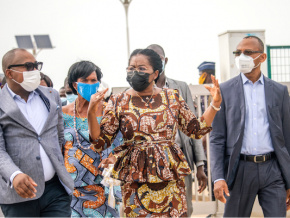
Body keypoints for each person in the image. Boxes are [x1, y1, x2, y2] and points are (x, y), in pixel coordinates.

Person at [88, 48, 222, 217]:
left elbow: (195, 130)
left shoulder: (172, 97)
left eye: (141, 69)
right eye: (131, 68)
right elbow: (100, 142)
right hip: (135, 178)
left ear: (155, 73)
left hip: (169, 175)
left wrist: (215, 104)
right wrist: (91, 112)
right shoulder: (118, 101)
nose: (135, 72)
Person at [210, 35, 290, 217]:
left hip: (273, 170)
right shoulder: (224, 90)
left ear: (262, 57)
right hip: (239, 169)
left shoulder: (279, 91)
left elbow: (287, 136)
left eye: (248, 52)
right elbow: (217, 138)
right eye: (238, 53)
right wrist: (219, 177)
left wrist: (289, 179)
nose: (241, 57)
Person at [0, 48, 74, 217]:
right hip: (18, 195)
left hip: (55, 189)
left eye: (36, 65)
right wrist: (14, 174)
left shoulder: (51, 96)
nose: (35, 71)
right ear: (9, 73)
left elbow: (59, 135)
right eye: (28, 66)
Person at [147, 44, 208, 216]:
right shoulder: (140, 91)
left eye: (158, 58)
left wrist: (200, 165)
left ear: (165, 60)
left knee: (183, 209)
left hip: (181, 159)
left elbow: (193, 128)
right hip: (152, 163)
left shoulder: (180, 87)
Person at [62, 61, 122, 217]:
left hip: (103, 185)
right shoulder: (62, 113)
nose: (90, 84)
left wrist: (113, 157)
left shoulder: (110, 111)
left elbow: (120, 144)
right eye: (84, 80)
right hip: (72, 189)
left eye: (93, 80)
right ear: (75, 85)